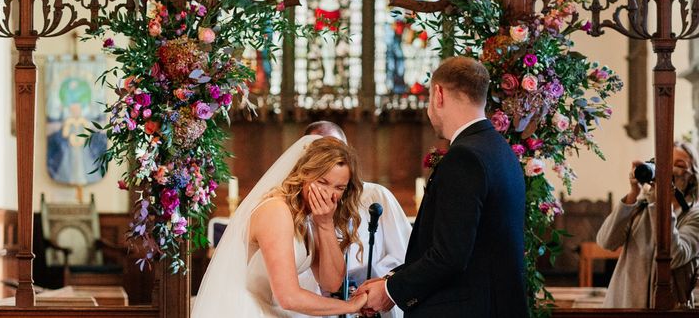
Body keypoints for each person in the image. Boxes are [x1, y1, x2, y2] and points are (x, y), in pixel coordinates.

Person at [357, 56, 529, 318]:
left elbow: (450, 256)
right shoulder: (499, 150)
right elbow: (475, 248)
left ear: (438, 94)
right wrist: (392, 280)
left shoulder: (465, 157)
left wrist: (390, 291)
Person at [192, 135, 369, 317]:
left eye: (339, 188)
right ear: (304, 174)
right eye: (322, 182)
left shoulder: (310, 217)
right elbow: (288, 297)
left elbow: (331, 283)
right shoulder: (276, 210)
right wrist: (350, 307)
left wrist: (325, 225)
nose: (329, 194)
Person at [293, 121, 411, 318]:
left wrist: (370, 287)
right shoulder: (293, 207)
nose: (330, 161)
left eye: (336, 152)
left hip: (372, 306)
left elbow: (405, 254)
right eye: (321, 153)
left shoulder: (376, 196)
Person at [596, 142, 699, 308]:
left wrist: (662, 203)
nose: (670, 171)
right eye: (664, 165)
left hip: (667, 308)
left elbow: (675, 256)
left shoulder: (694, 215)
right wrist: (633, 193)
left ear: (693, 176)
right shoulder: (641, 204)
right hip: (624, 304)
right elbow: (606, 242)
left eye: (679, 165)